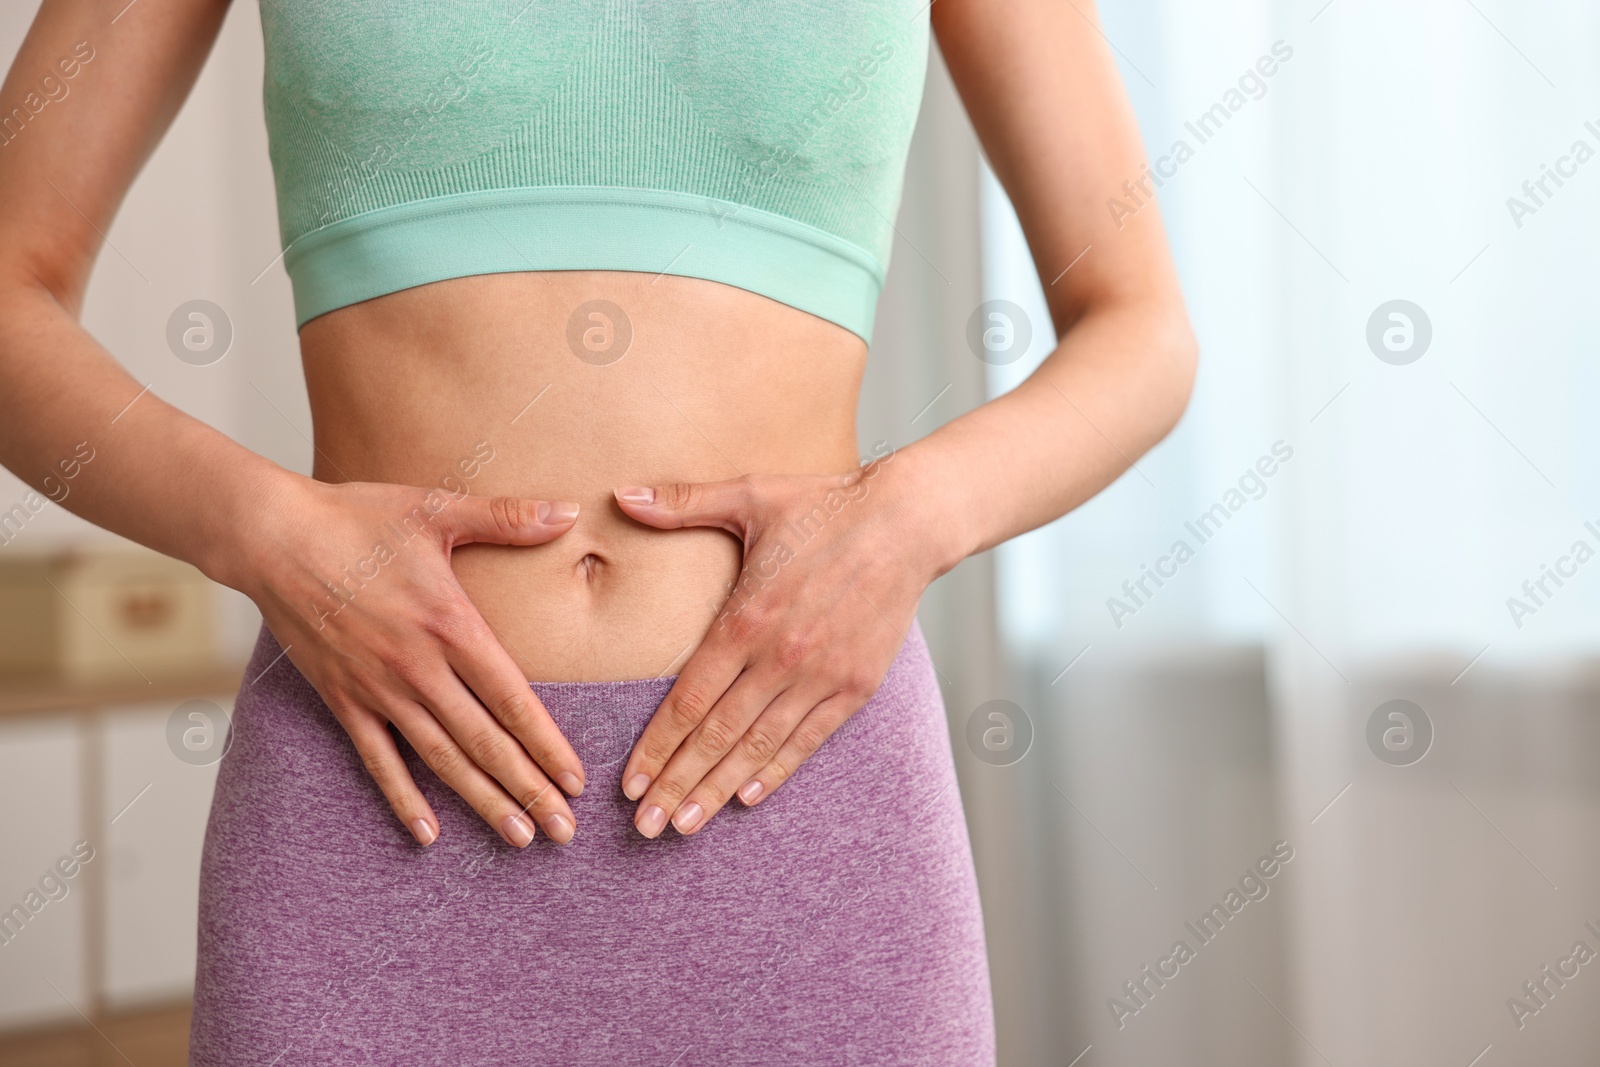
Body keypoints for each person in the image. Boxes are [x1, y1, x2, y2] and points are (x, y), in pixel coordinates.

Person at [0, 0, 1194, 1062]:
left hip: (796, 804)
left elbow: (1138, 327)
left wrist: (910, 517)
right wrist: (264, 532)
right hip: (376, 792)